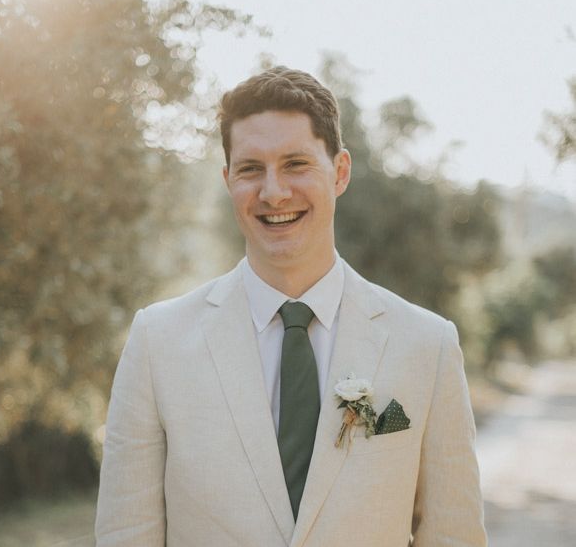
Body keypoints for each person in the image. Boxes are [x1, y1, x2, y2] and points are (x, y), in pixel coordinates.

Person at [95, 67, 487, 546]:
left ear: (340, 172)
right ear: (228, 180)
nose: (273, 192)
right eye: (250, 169)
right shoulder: (158, 342)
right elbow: (126, 534)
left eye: (295, 164)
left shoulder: (428, 345)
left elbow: (455, 536)